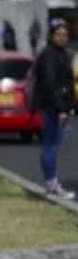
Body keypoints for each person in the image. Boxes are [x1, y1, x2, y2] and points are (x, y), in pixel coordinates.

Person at [30, 19, 77, 200]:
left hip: (60, 107)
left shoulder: (61, 53)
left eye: (65, 35)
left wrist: (70, 106)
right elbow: (51, 85)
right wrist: (60, 109)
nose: (62, 38)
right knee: (49, 146)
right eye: (59, 34)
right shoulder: (49, 55)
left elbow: (67, 83)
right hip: (52, 108)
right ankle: (51, 184)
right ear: (51, 36)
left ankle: (52, 183)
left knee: (53, 146)